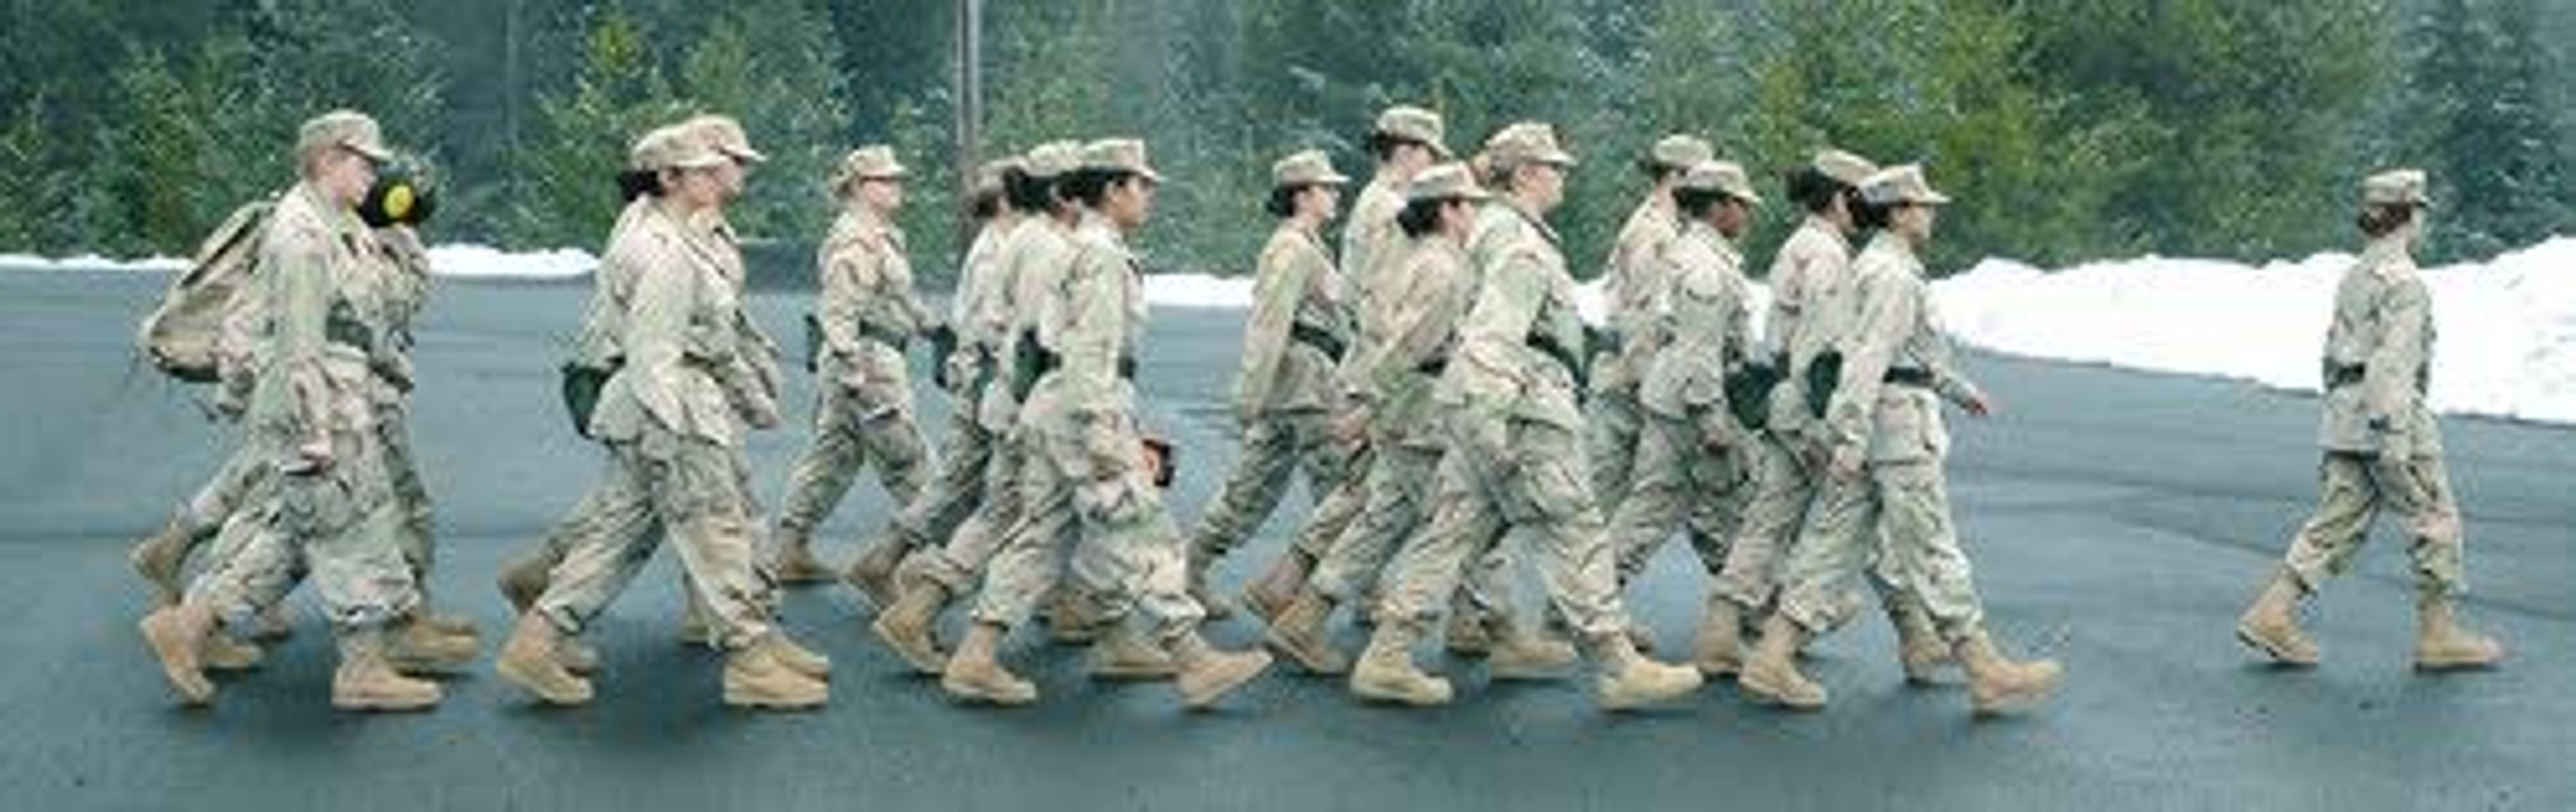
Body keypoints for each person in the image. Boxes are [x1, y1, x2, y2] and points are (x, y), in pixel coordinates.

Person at [1345, 123, 1703, 710]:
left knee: (1453, 533)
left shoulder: (1491, 232)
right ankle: (1618, 666)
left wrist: (1388, 397)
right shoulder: (1519, 244)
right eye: (1554, 167)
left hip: (1488, 403)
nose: (1563, 176)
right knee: (1575, 523)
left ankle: (1387, 655)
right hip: (1522, 405)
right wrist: (1492, 421)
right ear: (1526, 173)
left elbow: (1443, 329)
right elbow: (1492, 337)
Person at [490, 124, 828, 711]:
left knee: (619, 535)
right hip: (672, 407)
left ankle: (538, 639)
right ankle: (750, 659)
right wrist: (675, 429)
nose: (719, 173)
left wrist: (745, 390)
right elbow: (654, 352)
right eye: (703, 168)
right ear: (669, 178)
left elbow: (711, 330)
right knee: (717, 530)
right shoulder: (663, 248)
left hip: (665, 405)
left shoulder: (681, 237)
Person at [936, 139, 1273, 709]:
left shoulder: (1080, 246)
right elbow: (1091, 349)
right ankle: (1193, 657)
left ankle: (975, 655)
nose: (1150, 198)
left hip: (1054, 401)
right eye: (1142, 186)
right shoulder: (1099, 255)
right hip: (1081, 404)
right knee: (1139, 525)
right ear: (1112, 189)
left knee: (1042, 535)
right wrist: (1102, 431)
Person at [139, 110, 455, 711]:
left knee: (299, 533)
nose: (375, 175)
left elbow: (360, 319)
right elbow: (300, 347)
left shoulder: (338, 224)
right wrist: (315, 431)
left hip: (342, 401)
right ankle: (360, 671)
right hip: (317, 412)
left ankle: (189, 624)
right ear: (328, 159)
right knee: (348, 531)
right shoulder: (301, 236)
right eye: (364, 162)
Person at [1738, 165, 2062, 717]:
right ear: (1897, 212)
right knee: (1932, 544)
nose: (1931, 214)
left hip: (1879, 425)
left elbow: (1911, 355)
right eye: (1922, 205)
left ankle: (1772, 656)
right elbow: (1868, 359)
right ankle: (1984, 669)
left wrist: (1958, 390)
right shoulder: (1890, 274)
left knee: (1829, 544)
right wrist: (1851, 433)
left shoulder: (1884, 267)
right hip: (1895, 430)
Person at [2233, 168, 2504, 673]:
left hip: (2345, 411)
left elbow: (2330, 351)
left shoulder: (2355, 274)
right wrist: (2394, 435)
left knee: (2336, 522)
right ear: (2411, 215)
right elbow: (2394, 364)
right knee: (2434, 516)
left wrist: (2343, 411)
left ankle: (2272, 610)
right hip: (2390, 413)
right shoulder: (2406, 284)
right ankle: (2438, 632)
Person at [1185, 149, 1357, 618]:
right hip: (1306, 388)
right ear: (1302, 195)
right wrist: (1249, 393)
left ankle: (1189, 571)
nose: (1336, 195)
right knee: (1348, 489)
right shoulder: (1292, 248)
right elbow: (1269, 324)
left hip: (1299, 385)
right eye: (1327, 188)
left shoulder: (1305, 245)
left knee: (1253, 486)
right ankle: (1345, 595)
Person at [1603, 160, 1763, 638]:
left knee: (1657, 507)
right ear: (1717, 207)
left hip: (1673, 396)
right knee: (1737, 506)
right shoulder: (1704, 266)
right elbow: (1699, 347)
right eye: (1740, 205)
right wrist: (1711, 417)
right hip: (1693, 402)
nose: (1746, 215)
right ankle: (1755, 610)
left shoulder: (1695, 252)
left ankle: (1586, 603)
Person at [772, 146, 936, 591]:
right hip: (868, 360)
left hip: (868, 353)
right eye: (886, 180)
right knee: (906, 459)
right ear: (860, 187)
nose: (897, 187)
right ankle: (938, 560)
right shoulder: (856, 239)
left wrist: (927, 324)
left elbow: (897, 293)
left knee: (833, 456)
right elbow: (840, 311)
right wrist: (851, 370)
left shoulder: (879, 235)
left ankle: (790, 547)